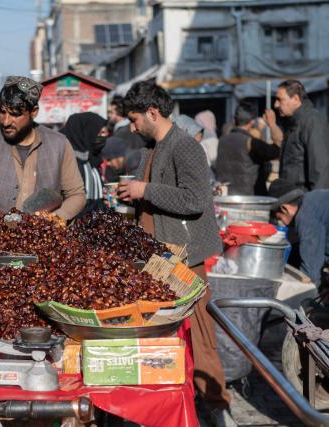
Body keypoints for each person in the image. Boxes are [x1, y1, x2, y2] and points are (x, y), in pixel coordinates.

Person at [117, 81, 234, 427]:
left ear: (153, 113)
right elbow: (152, 196)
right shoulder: (152, 148)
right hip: (158, 257)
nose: (132, 126)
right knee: (162, 334)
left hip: (185, 257)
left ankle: (216, 405)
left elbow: (195, 201)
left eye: (136, 119)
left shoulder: (186, 147)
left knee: (199, 332)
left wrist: (145, 189)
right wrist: (133, 196)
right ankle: (164, 403)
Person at [0, 76, 86, 220]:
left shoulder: (59, 144)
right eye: (2, 112)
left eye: (15, 114)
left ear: (34, 112)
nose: (6, 121)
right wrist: (2, 223)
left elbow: (76, 195)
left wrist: (55, 219)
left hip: (47, 237)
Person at [270, 179, 329, 288]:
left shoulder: (306, 215)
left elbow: (310, 272)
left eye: (280, 218)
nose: (284, 223)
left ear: (285, 209)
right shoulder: (316, 197)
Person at [216, 102, 281, 196]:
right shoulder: (251, 142)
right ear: (252, 122)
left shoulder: (222, 140)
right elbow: (278, 150)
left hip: (226, 196)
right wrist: (272, 125)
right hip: (249, 198)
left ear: (234, 119)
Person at [275, 79, 329, 190]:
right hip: (291, 200)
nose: (276, 105)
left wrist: (315, 204)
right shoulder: (291, 122)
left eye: (280, 100)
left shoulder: (312, 121)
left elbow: (320, 169)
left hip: (304, 201)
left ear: (295, 99)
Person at [59, 112, 107, 215]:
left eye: (104, 133)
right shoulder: (68, 161)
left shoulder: (93, 158)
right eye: (99, 133)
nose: (103, 137)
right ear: (85, 133)